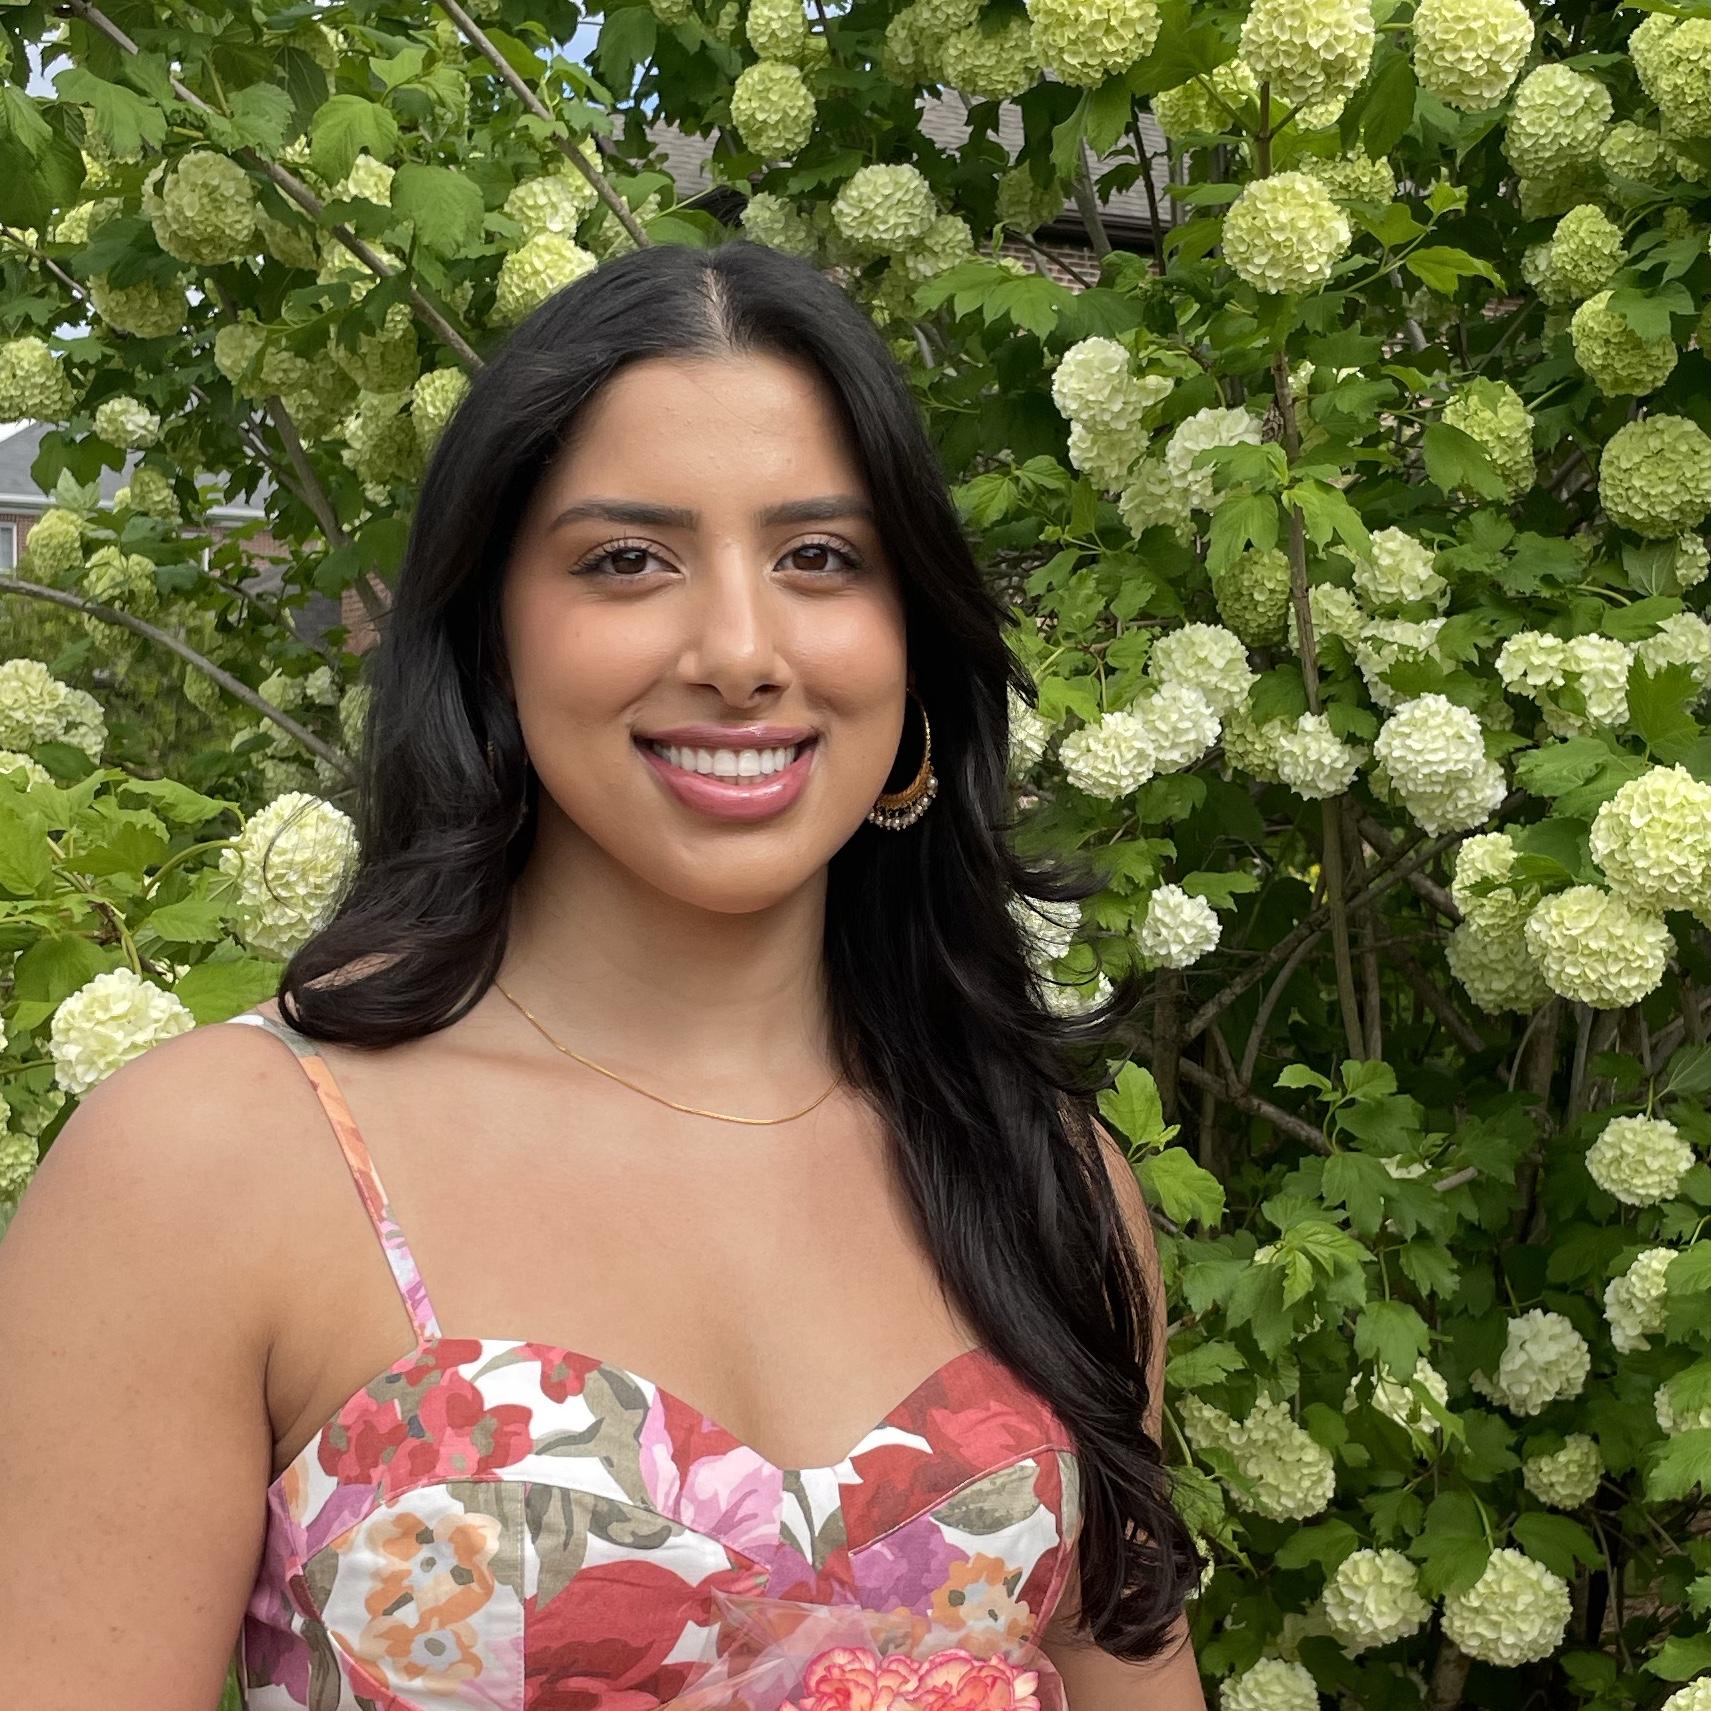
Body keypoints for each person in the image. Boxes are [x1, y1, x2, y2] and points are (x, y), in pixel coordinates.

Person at [0, 238, 1205, 1708]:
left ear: (913, 636)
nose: (741, 652)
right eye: (629, 560)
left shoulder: (1042, 1177)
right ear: (491, 634)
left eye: (821, 558)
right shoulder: (217, 1165)